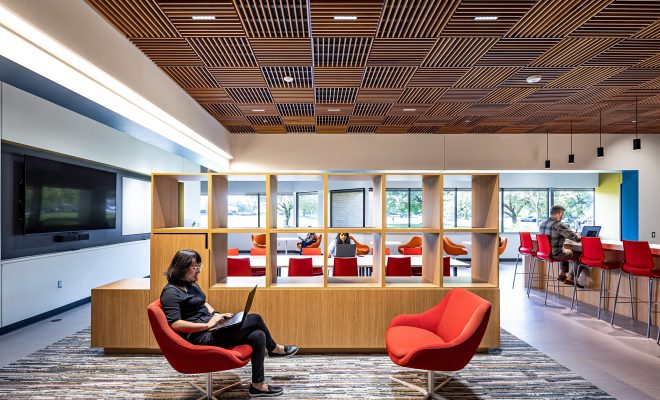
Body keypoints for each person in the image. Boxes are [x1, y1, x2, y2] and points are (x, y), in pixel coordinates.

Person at [160, 249, 298, 398]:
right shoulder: (170, 292)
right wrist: (207, 325)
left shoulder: (190, 284)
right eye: (195, 267)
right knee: (255, 318)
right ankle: (275, 349)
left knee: (258, 335)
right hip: (200, 336)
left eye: (200, 266)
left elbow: (203, 302)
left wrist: (216, 315)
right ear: (182, 267)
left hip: (212, 327)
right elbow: (175, 324)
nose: (198, 271)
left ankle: (257, 386)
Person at [538, 205, 583, 288]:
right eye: (562, 214)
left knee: (566, 250)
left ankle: (562, 273)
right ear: (559, 213)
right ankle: (571, 278)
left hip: (546, 253)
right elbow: (575, 238)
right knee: (581, 256)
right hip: (556, 254)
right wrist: (580, 236)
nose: (562, 216)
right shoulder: (558, 225)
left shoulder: (542, 224)